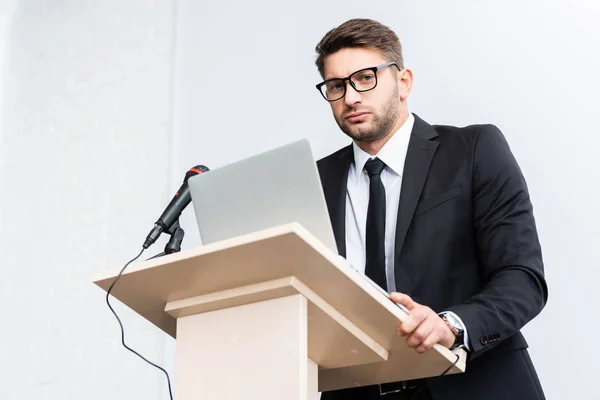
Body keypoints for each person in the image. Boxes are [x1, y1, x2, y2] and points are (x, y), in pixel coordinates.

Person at [314, 18, 548, 400]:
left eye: (365, 77)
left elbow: (522, 278)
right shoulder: (316, 180)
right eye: (336, 86)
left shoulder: (473, 150)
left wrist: (450, 325)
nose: (351, 97)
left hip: (472, 384)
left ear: (403, 81)